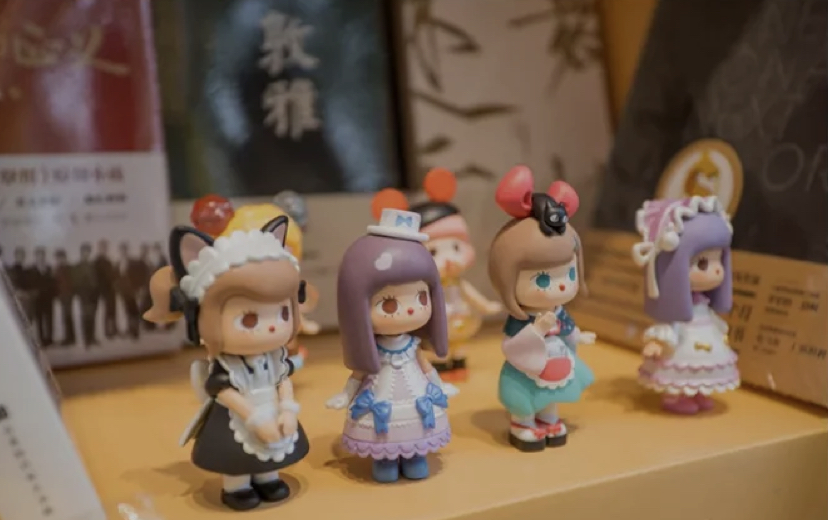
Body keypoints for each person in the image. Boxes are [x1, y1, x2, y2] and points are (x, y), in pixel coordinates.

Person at [143, 216, 309, 511]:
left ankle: (268, 479)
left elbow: (283, 380)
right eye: (250, 319)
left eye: (283, 313)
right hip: (239, 417)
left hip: (272, 409)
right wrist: (254, 419)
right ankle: (237, 487)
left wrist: (287, 409)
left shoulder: (274, 358)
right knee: (236, 455)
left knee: (272, 451)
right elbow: (222, 390)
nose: (272, 326)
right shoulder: (227, 365)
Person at [326, 195, 456, 483]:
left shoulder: (412, 346)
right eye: (389, 303)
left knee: (416, 437)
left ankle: (414, 457)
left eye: (421, 297)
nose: (410, 310)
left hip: (416, 399)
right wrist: (345, 395)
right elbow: (358, 374)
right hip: (380, 400)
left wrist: (440, 385)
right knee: (383, 445)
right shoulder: (371, 349)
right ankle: (385, 461)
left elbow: (425, 367)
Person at [488, 166, 595, 451]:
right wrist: (536, 331)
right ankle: (523, 423)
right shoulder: (522, 319)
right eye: (544, 279)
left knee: (552, 395)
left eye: (569, 274)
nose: (560, 287)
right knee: (526, 396)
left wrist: (578, 336)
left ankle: (549, 419)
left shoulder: (559, 312)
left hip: (557, 361)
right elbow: (511, 346)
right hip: (528, 368)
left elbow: (567, 329)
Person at [631, 196, 739, 414]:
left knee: (700, 364)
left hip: (702, 331)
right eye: (703, 263)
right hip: (679, 344)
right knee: (676, 366)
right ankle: (673, 396)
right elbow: (666, 329)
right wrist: (657, 342)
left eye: (719, 260)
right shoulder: (674, 309)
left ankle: (698, 391)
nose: (717, 270)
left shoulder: (703, 304)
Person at [75, 243, 100, 347]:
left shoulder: (93, 265)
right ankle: (86, 340)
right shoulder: (78, 266)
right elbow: (77, 283)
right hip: (84, 296)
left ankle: (92, 338)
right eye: (84, 252)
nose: (86, 254)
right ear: (81, 253)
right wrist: (81, 293)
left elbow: (96, 280)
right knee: (85, 317)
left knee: (93, 317)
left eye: (88, 252)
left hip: (93, 296)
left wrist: (96, 292)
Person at [31, 247, 56, 347]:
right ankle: (41, 340)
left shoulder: (49, 268)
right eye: (38, 255)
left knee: (49, 319)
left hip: (48, 298)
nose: (40, 257)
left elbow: (53, 282)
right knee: (39, 319)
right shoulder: (32, 269)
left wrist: (53, 294)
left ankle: (49, 339)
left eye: (42, 255)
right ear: (36, 256)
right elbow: (31, 283)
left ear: (44, 256)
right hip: (37, 298)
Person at [94, 239, 119, 339]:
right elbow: (96, 277)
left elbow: (112, 275)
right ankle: (107, 331)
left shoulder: (109, 261)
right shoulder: (96, 262)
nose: (104, 250)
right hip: (103, 289)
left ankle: (114, 329)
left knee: (112, 309)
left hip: (111, 289)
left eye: (105, 248)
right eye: (102, 248)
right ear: (99, 249)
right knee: (107, 310)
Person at [116, 242, 141, 339]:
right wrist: (118, 290)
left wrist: (137, 288)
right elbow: (117, 278)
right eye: (121, 250)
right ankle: (129, 329)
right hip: (124, 292)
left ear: (127, 251)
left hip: (133, 291)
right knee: (127, 311)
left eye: (125, 250)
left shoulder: (133, 262)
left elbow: (138, 276)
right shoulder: (118, 263)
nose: (123, 252)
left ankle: (135, 331)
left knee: (134, 311)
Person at [54, 249, 76, 346]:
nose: (60, 260)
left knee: (68, 316)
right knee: (65, 316)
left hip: (68, 295)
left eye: (61, 257)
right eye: (58, 258)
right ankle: (70, 337)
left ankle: (70, 338)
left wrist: (71, 293)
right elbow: (55, 283)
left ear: (65, 258)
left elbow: (72, 282)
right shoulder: (57, 269)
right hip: (61, 296)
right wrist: (57, 295)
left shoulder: (69, 268)